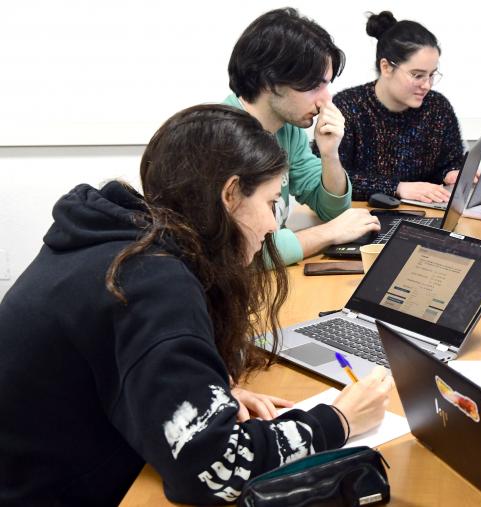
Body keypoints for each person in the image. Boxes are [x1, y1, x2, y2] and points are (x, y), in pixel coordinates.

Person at [0, 105, 393, 505]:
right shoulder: (150, 279)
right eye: (271, 202)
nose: (274, 225)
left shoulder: (118, 240)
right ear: (230, 195)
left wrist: (203, 393)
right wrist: (338, 420)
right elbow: (211, 470)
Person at [225, 8, 381, 265]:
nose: (326, 99)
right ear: (269, 81)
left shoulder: (289, 129)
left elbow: (332, 210)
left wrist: (330, 153)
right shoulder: (224, 138)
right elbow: (243, 252)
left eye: (326, 85)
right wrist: (328, 233)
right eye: (314, 86)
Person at [318, 10, 465, 203]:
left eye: (431, 74)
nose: (427, 85)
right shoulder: (348, 106)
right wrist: (397, 188)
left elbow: (450, 161)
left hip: (425, 216)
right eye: (417, 75)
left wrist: (451, 174)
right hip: (362, 216)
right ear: (386, 67)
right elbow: (328, 177)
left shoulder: (438, 107)